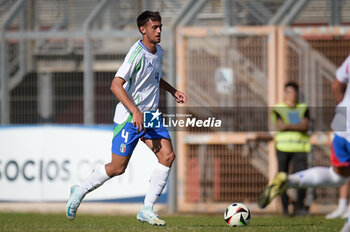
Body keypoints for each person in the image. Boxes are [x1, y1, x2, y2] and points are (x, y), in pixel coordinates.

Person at [65, 11, 187, 226]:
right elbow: (115, 85)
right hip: (129, 118)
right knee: (117, 167)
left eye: (160, 27)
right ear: (143, 29)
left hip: (150, 116)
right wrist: (135, 111)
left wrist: (172, 90)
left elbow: (153, 78)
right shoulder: (135, 54)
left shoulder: (159, 52)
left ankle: (147, 209)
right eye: (154, 27)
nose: (159, 31)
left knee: (167, 156)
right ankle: (79, 192)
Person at [258, 54, 350, 232]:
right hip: (285, 147)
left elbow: (336, 85)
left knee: (338, 176)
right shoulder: (279, 107)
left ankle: (289, 180)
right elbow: (280, 125)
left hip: (341, 125)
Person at [271, 81, 311, 216]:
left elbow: (304, 126)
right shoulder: (279, 108)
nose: (291, 94)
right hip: (282, 148)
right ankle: (285, 209)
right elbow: (280, 126)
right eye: (288, 92)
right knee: (282, 178)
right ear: (284, 93)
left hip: (300, 148)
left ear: (297, 93)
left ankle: (299, 207)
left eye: (293, 92)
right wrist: (297, 125)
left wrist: (288, 125)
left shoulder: (303, 108)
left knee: (302, 178)